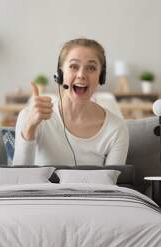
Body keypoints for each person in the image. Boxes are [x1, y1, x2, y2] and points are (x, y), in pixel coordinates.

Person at [13, 38, 129, 166]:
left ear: (101, 76)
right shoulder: (30, 117)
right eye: (74, 66)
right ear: (60, 73)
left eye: (91, 68)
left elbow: (112, 185)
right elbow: (17, 179)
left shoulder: (116, 129)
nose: (81, 75)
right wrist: (30, 127)